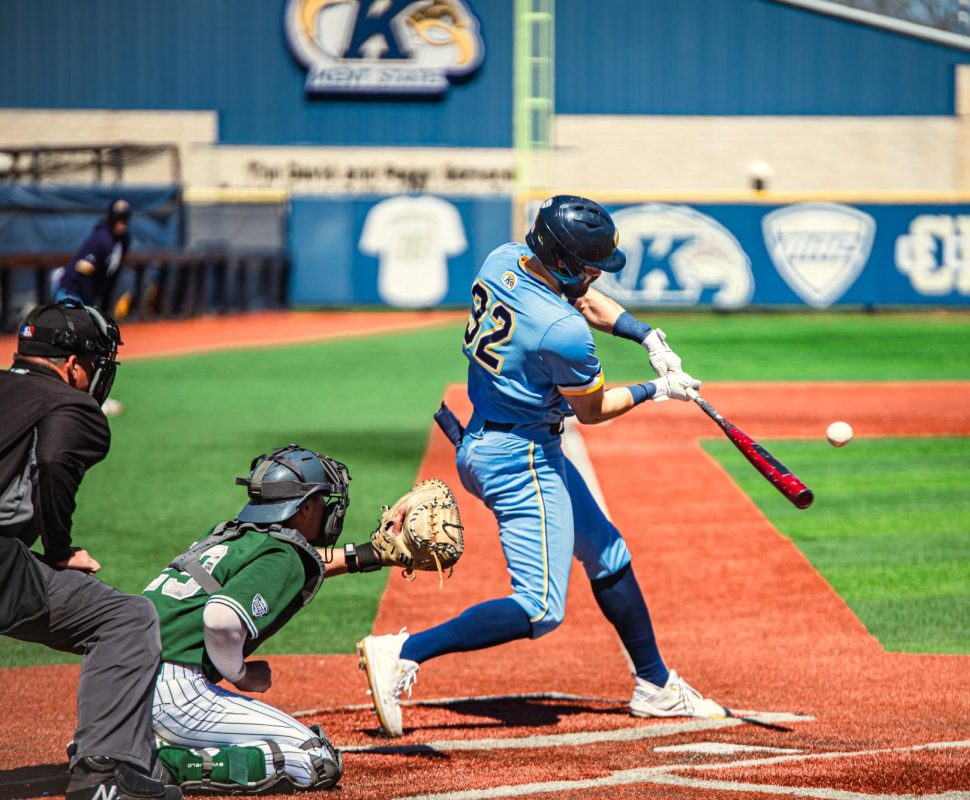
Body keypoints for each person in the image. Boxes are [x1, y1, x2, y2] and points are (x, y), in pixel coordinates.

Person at [357, 194, 727, 738]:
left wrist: (646, 335)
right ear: (564, 261)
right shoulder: (561, 331)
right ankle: (403, 652)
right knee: (539, 608)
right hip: (519, 458)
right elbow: (593, 409)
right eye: (590, 265)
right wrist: (658, 388)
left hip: (492, 435)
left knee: (606, 551)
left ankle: (655, 686)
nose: (599, 274)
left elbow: (581, 299)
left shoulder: (504, 258)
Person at [142, 444, 402, 793]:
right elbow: (221, 618)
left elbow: (294, 562)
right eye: (323, 501)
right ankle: (166, 762)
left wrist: (370, 555)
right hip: (174, 692)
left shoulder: (229, 535)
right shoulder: (283, 555)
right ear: (305, 508)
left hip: (123, 681)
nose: (328, 510)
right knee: (314, 759)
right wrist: (241, 674)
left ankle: (130, 741)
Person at [0, 300, 180, 800]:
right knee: (125, 619)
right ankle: (106, 774)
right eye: (95, 363)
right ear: (73, 365)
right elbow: (55, 459)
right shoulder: (73, 405)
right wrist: (59, 549)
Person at [53, 198, 133, 417]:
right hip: (72, 294)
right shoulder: (100, 239)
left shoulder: (123, 240)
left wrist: (104, 307)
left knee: (97, 346)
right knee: (73, 349)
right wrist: (87, 308)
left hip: (90, 298)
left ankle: (93, 397)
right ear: (110, 218)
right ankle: (70, 398)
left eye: (125, 219)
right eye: (118, 219)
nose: (122, 224)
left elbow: (111, 275)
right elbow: (82, 268)